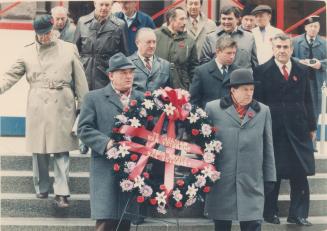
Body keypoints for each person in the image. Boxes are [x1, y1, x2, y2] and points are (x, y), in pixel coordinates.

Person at [0, 15, 89, 208]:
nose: (46, 37)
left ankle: (62, 192)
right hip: (37, 104)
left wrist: (84, 106)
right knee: (38, 149)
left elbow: (81, 80)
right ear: (36, 33)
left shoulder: (68, 49)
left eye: (48, 33)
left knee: (61, 149)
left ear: (53, 29)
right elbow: (9, 76)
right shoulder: (27, 53)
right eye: (41, 34)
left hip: (62, 102)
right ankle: (41, 187)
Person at [254, 33, 316, 226]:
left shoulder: (302, 70)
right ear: (273, 49)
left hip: (299, 129)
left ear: (291, 49)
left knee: (300, 173)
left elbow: (309, 99)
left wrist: (312, 127)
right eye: (278, 47)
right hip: (274, 129)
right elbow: (257, 102)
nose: (282, 50)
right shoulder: (262, 71)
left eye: (285, 47)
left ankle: (298, 214)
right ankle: (269, 212)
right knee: (274, 172)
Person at [205, 68, 276, 231]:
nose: (249, 93)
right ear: (233, 90)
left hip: (252, 181)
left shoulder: (263, 111)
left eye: (252, 89)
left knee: (253, 225)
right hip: (222, 181)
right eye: (245, 89)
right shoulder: (213, 109)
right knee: (222, 226)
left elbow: (268, 146)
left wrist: (270, 177)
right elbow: (204, 145)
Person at [78, 52, 140, 231]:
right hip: (105, 167)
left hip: (131, 168)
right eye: (123, 73)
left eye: (130, 72)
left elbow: (150, 131)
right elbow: (84, 129)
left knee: (125, 220)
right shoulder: (93, 98)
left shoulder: (142, 99)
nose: (128, 76)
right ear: (111, 75)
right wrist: (108, 143)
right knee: (105, 220)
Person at [74, 0, 129, 91]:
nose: (104, 8)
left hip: (107, 75)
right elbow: (75, 50)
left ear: (111, 6)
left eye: (107, 5)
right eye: (101, 4)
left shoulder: (119, 25)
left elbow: (124, 54)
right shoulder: (82, 22)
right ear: (95, 4)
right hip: (84, 73)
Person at [292, 15, 327, 121]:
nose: (313, 29)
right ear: (305, 28)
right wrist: (299, 62)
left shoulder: (325, 43)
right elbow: (288, 57)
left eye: (316, 26)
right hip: (299, 79)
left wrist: (320, 64)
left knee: (316, 107)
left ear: (319, 28)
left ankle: (314, 132)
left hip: (318, 80)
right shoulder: (294, 41)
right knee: (299, 106)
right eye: (310, 26)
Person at [155, 7, 198, 90]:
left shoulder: (190, 41)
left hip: (181, 88)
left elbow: (193, 67)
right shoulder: (156, 36)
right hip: (158, 86)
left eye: (186, 19)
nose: (185, 22)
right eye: (181, 19)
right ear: (171, 20)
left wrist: (192, 88)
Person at [190, 36, 239, 109]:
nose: (232, 56)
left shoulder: (238, 72)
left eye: (234, 53)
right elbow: (194, 100)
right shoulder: (201, 71)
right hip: (209, 117)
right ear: (218, 52)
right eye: (228, 53)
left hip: (232, 117)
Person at [129, 28, 170, 93]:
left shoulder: (165, 65)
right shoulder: (127, 63)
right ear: (137, 43)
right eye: (148, 42)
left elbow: (170, 92)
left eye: (154, 42)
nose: (152, 46)